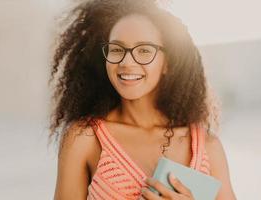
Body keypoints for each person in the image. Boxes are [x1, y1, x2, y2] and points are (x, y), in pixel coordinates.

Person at [49, 0, 237, 199]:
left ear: (168, 63)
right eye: (116, 49)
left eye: (144, 50)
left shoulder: (207, 145)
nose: (126, 62)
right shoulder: (84, 138)